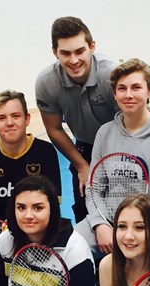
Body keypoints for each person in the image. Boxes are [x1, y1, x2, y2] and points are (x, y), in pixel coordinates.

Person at [80, 59, 150, 255]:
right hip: (108, 223)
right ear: (114, 94)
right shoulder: (104, 133)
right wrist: (100, 224)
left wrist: (147, 234)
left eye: (136, 87)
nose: (128, 95)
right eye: (122, 89)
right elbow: (94, 188)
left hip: (148, 232)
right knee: (71, 249)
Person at [35, 16, 118, 222]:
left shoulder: (111, 76)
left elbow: (132, 121)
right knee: (85, 212)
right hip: (85, 148)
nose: (73, 60)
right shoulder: (46, 83)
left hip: (119, 147)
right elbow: (54, 128)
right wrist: (82, 166)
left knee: (122, 211)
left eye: (80, 51)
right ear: (55, 52)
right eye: (65, 53)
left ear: (92, 47)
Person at [0, 90, 62, 241]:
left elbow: (52, 207)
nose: (9, 123)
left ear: (27, 119)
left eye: (15, 116)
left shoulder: (45, 152)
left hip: (35, 227)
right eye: (1, 118)